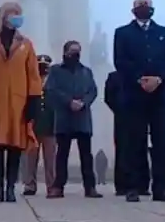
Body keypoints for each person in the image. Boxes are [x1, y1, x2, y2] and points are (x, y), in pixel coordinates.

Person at [0, 2, 42, 203]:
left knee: (15, 145)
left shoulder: (26, 44)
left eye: (19, 15)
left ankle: (11, 187)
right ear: (3, 17)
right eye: (13, 14)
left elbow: (33, 75)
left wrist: (33, 100)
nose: (16, 18)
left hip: (19, 101)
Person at [113, 0, 165, 203]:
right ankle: (133, 187)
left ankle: (161, 189)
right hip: (134, 94)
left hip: (159, 95)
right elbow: (120, 61)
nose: (144, 9)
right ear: (133, 10)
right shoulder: (123, 33)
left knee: (160, 144)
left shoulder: (164, 33)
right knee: (134, 143)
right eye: (140, 6)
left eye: (147, 6)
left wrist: (158, 78)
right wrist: (139, 79)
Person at [47, 40, 102, 198]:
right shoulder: (56, 71)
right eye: (72, 51)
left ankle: (90, 187)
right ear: (65, 52)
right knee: (62, 154)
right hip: (64, 117)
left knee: (86, 155)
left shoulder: (86, 71)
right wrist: (68, 101)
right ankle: (58, 186)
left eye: (78, 51)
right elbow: (51, 90)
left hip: (82, 118)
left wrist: (83, 103)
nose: (76, 54)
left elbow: (92, 91)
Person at [104, 70, 149, 195]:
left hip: (140, 116)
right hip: (122, 119)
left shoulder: (142, 75)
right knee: (122, 150)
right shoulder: (113, 76)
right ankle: (122, 185)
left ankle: (142, 185)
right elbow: (109, 97)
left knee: (141, 149)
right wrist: (119, 110)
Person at [23, 55, 56, 196]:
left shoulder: (55, 83)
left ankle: (52, 186)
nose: (42, 68)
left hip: (50, 126)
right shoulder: (29, 82)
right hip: (33, 125)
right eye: (40, 65)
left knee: (50, 160)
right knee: (31, 159)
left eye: (45, 65)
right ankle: (30, 185)